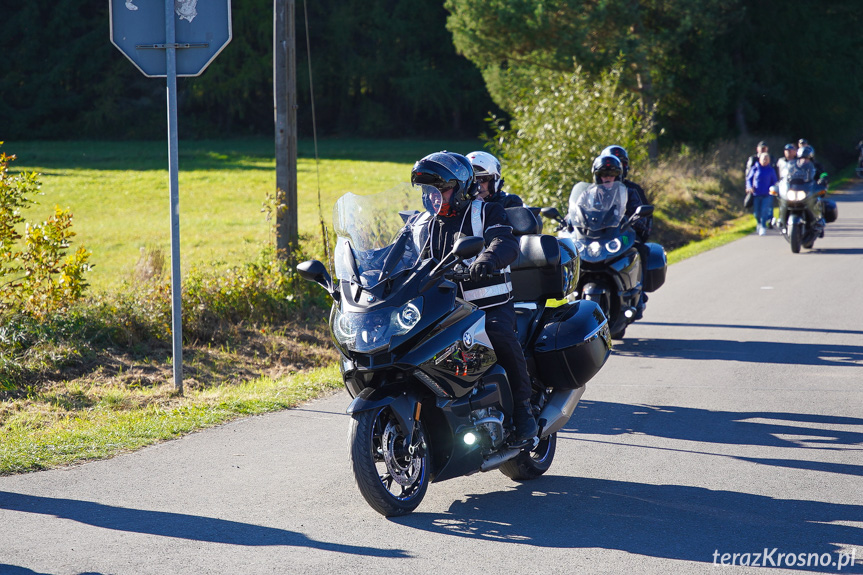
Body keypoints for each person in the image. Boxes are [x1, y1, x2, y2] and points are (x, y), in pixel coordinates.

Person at [410, 151, 538, 442]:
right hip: (444, 309)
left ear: (461, 187)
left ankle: (523, 410)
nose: (433, 196)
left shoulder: (486, 211)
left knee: (499, 334)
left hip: (489, 306)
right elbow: (405, 256)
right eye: (428, 191)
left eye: (441, 189)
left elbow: (504, 241)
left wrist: (488, 260)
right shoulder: (425, 224)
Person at [601, 144, 651, 242]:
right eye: (604, 172)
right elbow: (579, 210)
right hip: (595, 237)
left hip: (624, 236)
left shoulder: (632, 190)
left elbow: (644, 219)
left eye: (621, 164)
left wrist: (629, 221)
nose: (608, 177)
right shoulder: (591, 193)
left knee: (642, 250)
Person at [746, 152, 778, 235]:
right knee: (756, 213)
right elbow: (749, 179)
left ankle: (763, 227)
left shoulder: (771, 170)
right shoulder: (755, 168)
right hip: (756, 194)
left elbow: (774, 181)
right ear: (759, 160)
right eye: (763, 159)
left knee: (764, 211)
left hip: (767, 195)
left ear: (769, 161)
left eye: (766, 159)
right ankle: (759, 223)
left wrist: (772, 189)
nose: (765, 160)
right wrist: (750, 187)